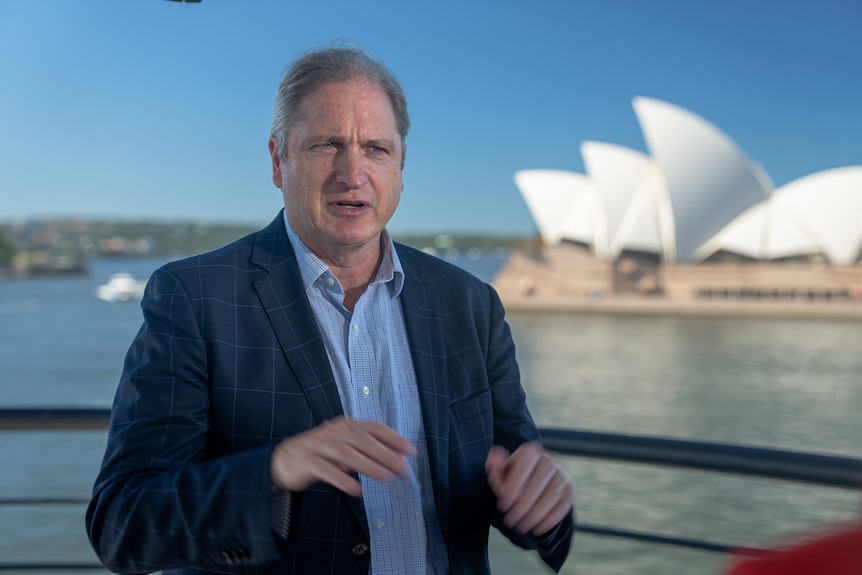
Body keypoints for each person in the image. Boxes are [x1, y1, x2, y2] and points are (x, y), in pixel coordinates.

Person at [86, 42, 576, 575]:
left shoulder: (469, 305)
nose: (353, 173)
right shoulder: (194, 297)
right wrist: (272, 472)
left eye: (376, 149)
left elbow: (521, 479)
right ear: (278, 161)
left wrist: (544, 509)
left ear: (402, 166)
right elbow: (121, 521)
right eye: (326, 145)